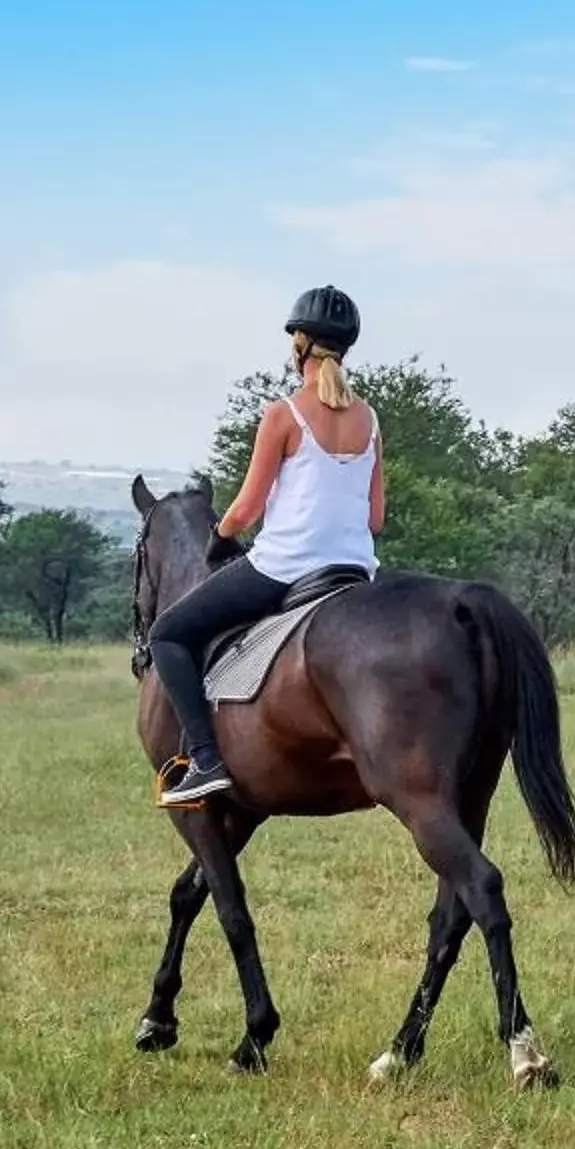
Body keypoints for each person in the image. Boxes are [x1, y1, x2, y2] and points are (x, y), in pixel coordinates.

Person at [146, 285, 384, 807]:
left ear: (299, 344)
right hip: (354, 570)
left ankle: (206, 761)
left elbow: (245, 510)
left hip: (285, 567)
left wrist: (221, 536)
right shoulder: (369, 420)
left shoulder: (283, 414)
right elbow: (375, 516)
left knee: (167, 635)